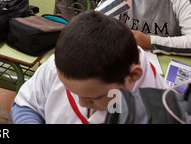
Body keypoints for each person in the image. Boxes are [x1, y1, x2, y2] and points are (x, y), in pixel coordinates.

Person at [11, 10, 168, 124]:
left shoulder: (160, 108)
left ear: (133, 76)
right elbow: (26, 105)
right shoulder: (63, 63)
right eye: (72, 92)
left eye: (95, 98)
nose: (81, 103)